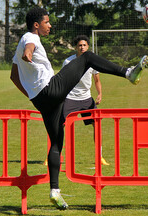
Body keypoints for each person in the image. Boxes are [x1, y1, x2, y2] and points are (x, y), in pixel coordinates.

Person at [10, 7, 148, 210]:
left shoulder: (20, 44)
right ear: (37, 25)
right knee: (87, 58)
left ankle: (54, 191)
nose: (50, 25)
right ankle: (128, 73)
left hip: (41, 99)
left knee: (56, 143)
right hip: (51, 89)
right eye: (47, 22)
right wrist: (28, 55)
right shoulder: (31, 37)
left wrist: (32, 97)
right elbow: (29, 49)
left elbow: (13, 76)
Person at [62, 35, 109, 166]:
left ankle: (99, 156)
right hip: (70, 98)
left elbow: (97, 80)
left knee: (97, 125)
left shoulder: (92, 62)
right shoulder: (68, 62)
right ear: (76, 47)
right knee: (58, 125)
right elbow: (63, 80)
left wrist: (99, 93)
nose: (82, 47)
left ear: (88, 46)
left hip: (86, 99)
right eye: (79, 45)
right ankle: (53, 155)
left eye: (84, 45)